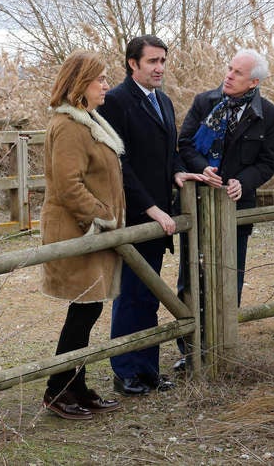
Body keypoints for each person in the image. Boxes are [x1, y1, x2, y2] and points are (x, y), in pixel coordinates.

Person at [98, 35, 203, 396]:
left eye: (163, 61)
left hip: (161, 214)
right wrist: (150, 207)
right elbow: (118, 164)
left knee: (150, 292)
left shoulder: (163, 100)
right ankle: (125, 370)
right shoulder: (114, 101)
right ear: (132, 63)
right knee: (130, 294)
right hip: (134, 213)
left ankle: (147, 369)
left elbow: (168, 150)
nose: (160, 68)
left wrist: (177, 171)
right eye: (152, 62)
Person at [174, 48, 274, 370]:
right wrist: (200, 168)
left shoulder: (269, 114)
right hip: (196, 204)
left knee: (230, 277)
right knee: (192, 277)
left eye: (237, 73)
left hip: (236, 207)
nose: (228, 76)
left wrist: (243, 183)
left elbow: (268, 161)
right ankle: (189, 350)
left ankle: (221, 349)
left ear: (254, 82)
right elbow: (185, 144)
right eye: (229, 69)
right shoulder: (204, 102)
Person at [40, 50, 125, 420]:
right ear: (80, 84)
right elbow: (68, 185)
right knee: (82, 313)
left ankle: (75, 385)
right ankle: (57, 390)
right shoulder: (69, 126)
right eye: (100, 79)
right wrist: (103, 216)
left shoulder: (88, 121)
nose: (106, 85)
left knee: (87, 311)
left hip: (92, 232)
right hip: (78, 231)